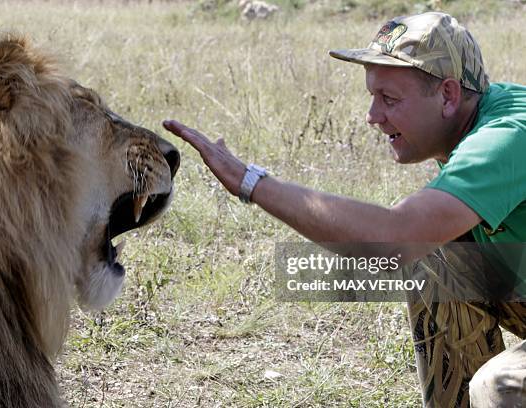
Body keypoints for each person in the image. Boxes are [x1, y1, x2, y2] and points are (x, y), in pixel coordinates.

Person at [163, 12, 526, 407]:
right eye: (373, 97)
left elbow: (393, 239)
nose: (372, 116)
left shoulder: (507, 136)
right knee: (434, 255)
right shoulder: (476, 122)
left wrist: (252, 182)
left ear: (449, 95)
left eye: (389, 99)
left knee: (500, 386)